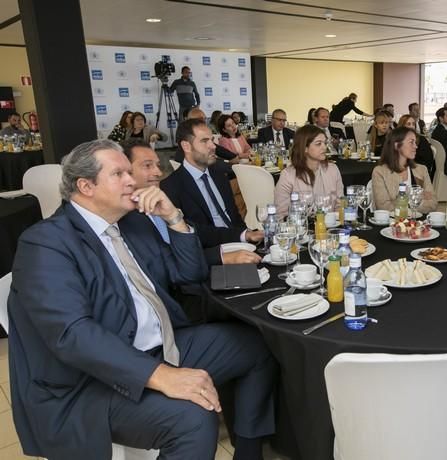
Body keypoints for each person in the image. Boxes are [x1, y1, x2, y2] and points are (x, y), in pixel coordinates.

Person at [7, 139, 276, 460]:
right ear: (85, 186)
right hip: (91, 381)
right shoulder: (45, 243)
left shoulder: (131, 223)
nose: (132, 180)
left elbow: (187, 274)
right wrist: (161, 375)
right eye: (118, 173)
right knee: (193, 419)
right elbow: (72, 335)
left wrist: (174, 218)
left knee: (258, 345)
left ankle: (247, 453)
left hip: (159, 346)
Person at [125, 138, 261, 266]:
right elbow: (167, 264)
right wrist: (221, 257)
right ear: (124, 172)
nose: (159, 172)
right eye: (148, 166)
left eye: (157, 165)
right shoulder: (127, 219)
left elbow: (199, 232)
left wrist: (245, 234)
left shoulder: (155, 205)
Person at [161, 119, 264, 265]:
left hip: (241, 245)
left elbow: (234, 216)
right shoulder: (171, 186)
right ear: (186, 146)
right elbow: (194, 233)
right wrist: (242, 235)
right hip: (212, 258)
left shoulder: (218, 174)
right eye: (204, 141)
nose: (212, 146)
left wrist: (248, 237)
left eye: (212, 140)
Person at [274, 124, 344, 218]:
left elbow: (340, 205)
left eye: (325, 143)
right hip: (300, 229)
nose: (324, 147)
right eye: (318, 144)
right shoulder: (288, 175)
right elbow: (280, 214)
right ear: (305, 148)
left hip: (330, 228)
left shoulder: (332, 169)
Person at [372, 126, 437, 213]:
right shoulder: (380, 172)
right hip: (392, 224)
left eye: (415, 142)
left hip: (418, 224)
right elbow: (384, 207)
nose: (416, 146)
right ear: (397, 145)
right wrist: (416, 199)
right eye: (411, 142)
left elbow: (433, 204)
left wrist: (399, 202)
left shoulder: (421, 170)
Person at [399, 114, 435, 179]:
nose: (412, 126)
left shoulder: (421, 140)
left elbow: (428, 160)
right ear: (402, 126)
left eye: (413, 124)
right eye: (408, 124)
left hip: (416, 170)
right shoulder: (397, 139)